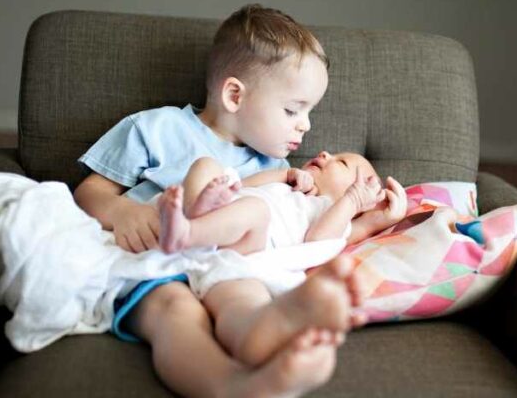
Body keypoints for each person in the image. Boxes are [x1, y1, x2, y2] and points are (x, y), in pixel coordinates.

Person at [73, 4, 363, 398]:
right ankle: (233, 394)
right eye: (293, 110)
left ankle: (261, 331)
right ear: (234, 96)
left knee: (241, 294)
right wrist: (125, 213)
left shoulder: (276, 165)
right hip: (155, 261)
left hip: (223, 267)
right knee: (176, 313)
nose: (306, 127)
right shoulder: (156, 129)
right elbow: (89, 192)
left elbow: (291, 230)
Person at [157, 151, 407, 367]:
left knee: (257, 211)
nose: (325, 154)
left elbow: (321, 239)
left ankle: (187, 233)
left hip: (249, 244)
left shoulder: (332, 214)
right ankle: (194, 215)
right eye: (331, 153)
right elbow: (244, 186)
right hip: (223, 211)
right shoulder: (289, 179)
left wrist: (357, 205)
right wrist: (284, 176)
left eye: (340, 163)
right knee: (206, 164)